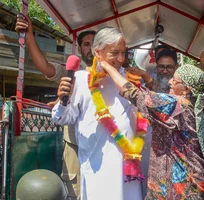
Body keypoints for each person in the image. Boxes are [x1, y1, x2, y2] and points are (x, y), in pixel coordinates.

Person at [52, 26, 152, 200]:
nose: (121, 59)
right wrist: (62, 100)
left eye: (124, 53)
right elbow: (61, 118)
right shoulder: (82, 80)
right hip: (97, 165)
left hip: (129, 168)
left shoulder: (131, 81)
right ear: (98, 52)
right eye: (115, 53)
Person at [99, 61, 204, 199]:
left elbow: (133, 93)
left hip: (181, 188)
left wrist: (108, 67)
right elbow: (157, 93)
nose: (170, 82)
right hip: (186, 182)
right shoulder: (190, 104)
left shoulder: (178, 105)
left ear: (186, 89)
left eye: (175, 80)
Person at [15, 15, 96, 199]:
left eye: (94, 43)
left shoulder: (113, 75)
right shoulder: (72, 72)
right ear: (81, 50)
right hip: (75, 148)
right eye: (86, 44)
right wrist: (29, 35)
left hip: (100, 149)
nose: (90, 48)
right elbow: (45, 68)